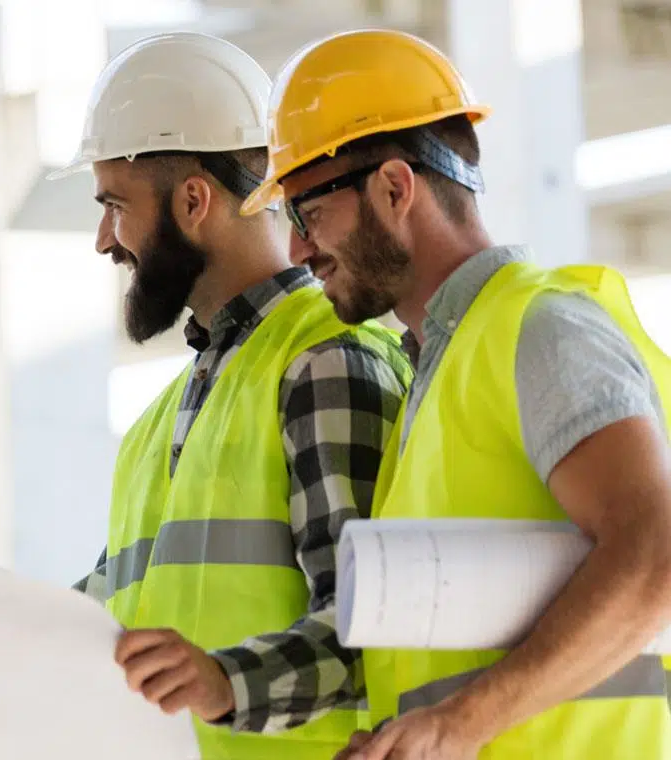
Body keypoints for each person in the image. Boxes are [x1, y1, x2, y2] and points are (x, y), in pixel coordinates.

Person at [241, 28, 671, 759]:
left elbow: (655, 555)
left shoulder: (539, 330)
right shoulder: (439, 373)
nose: (297, 251)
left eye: (308, 214)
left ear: (394, 188)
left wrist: (458, 725)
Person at [60, 32, 413, 758]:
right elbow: (106, 624)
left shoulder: (325, 361)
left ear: (193, 201)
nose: (103, 239)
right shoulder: (162, 420)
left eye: (114, 204)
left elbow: (373, 629)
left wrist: (226, 684)